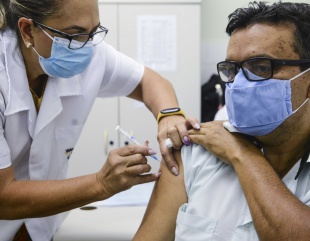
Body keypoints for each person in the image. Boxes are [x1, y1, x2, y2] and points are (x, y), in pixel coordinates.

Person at [133, 2, 310, 241]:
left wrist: (243, 154)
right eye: (232, 69)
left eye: (260, 67)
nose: (238, 84)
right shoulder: (194, 153)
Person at [0, 0, 198, 240]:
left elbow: (150, 82)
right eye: (75, 35)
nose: (87, 47)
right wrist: (100, 184)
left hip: (43, 228)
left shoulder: (90, 54)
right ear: (28, 30)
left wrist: (169, 115)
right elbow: (3, 195)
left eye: (94, 32)